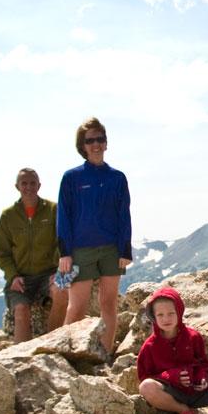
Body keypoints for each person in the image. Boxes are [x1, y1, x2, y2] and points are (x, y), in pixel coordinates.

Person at [56, 117, 132, 353]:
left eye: (100, 139)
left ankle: (106, 355)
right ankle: (67, 354)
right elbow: (64, 216)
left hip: (111, 249)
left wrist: (125, 250)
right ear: (83, 146)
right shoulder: (71, 178)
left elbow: (123, 215)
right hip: (80, 251)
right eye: (90, 140)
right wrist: (65, 252)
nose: (96, 144)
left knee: (108, 304)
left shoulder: (117, 178)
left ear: (106, 143)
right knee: (76, 307)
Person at [0, 168, 68, 343]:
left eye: (32, 183)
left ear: (39, 185)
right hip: (20, 277)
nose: (28, 187)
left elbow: (63, 241)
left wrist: (58, 271)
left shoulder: (53, 210)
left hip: (48, 273)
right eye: (24, 183)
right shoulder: (8, 216)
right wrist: (12, 276)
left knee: (62, 291)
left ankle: (52, 346)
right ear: (17, 186)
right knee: (21, 310)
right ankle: (22, 358)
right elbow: (2, 252)